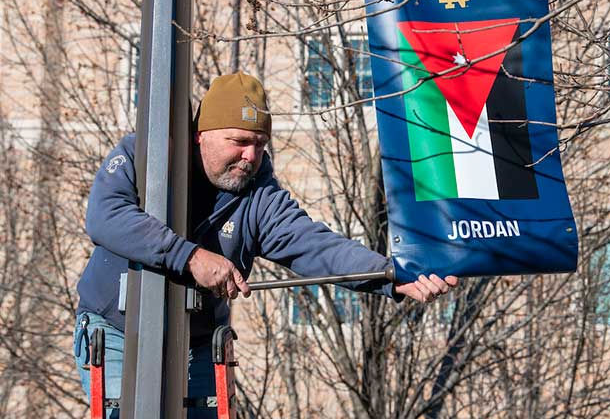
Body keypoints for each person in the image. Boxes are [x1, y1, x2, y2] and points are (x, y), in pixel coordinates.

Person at [73, 72, 457, 418]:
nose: (251, 157)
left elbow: (314, 246)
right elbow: (106, 216)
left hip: (200, 343)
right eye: (239, 141)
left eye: (260, 144)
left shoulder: (260, 196)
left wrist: (391, 275)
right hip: (118, 331)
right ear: (200, 135)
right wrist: (190, 257)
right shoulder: (144, 155)